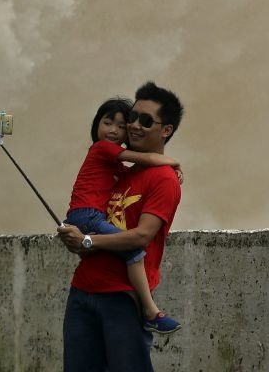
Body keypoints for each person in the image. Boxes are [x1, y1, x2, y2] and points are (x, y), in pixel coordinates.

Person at [58, 81, 184, 372]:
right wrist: (78, 241)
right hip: (83, 291)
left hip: (122, 297)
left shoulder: (164, 179)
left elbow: (141, 237)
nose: (134, 126)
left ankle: (152, 312)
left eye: (145, 120)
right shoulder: (119, 173)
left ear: (166, 130)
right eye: (133, 118)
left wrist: (87, 241)